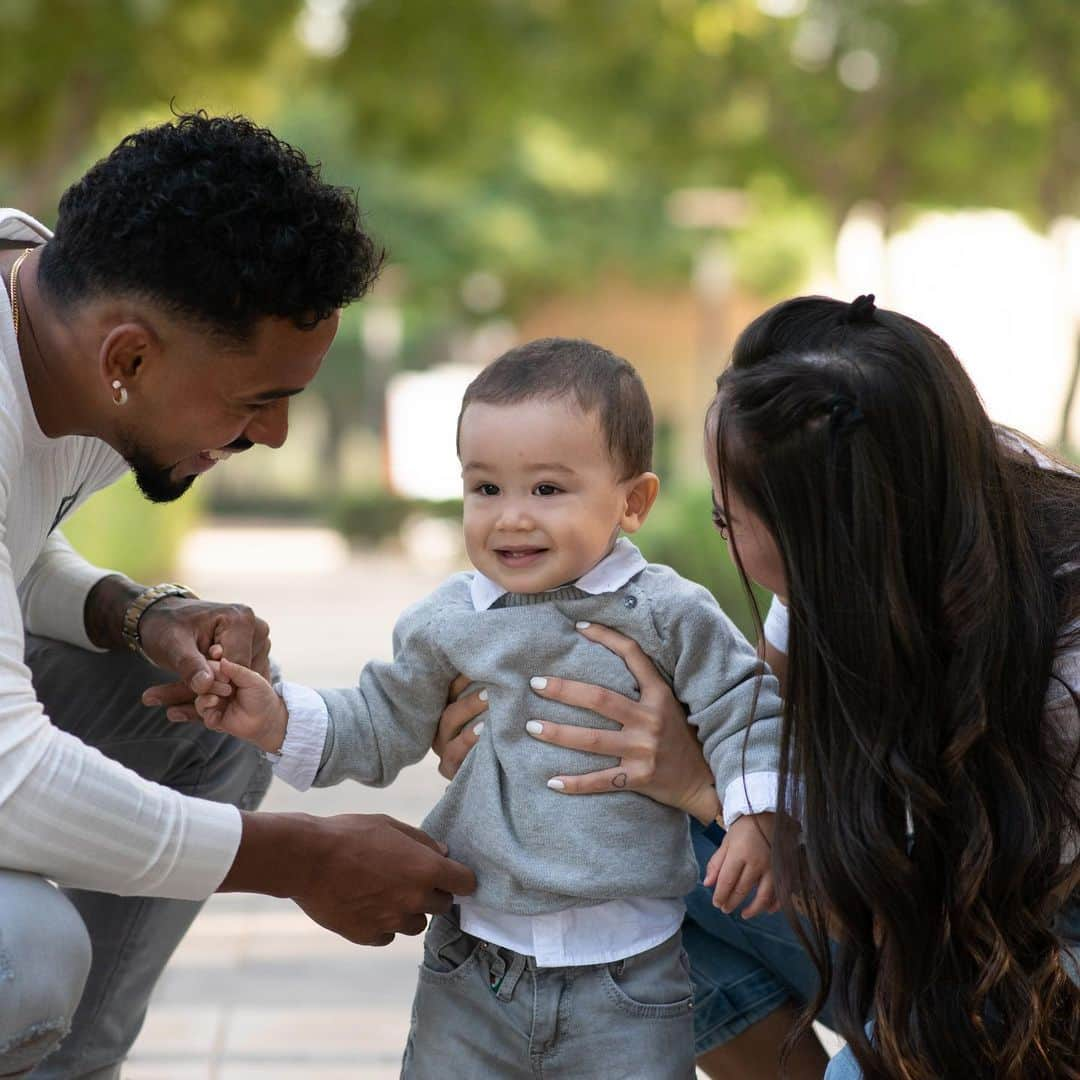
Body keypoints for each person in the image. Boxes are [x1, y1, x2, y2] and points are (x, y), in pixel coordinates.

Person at [436, 296, 1080, 1078]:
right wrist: (519, 736)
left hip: (1023, 976)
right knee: (616, 817)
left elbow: (934, 923)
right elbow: (758, 716)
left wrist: (707, 790)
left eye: (725, 520)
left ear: (831, 535)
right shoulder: (911, 505)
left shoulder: (1057, 672)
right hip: (929, 933)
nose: (721, 532)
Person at [0, 112, 475, 1079]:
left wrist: (139, 614)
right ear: (127, 360)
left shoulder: (56, 314)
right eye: (255, 399)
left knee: (207, 725)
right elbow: (10, 786)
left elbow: (15, 544)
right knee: (22, 957)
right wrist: (305, 859)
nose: (276, 437)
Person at [191, 337, 785, 1079]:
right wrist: (275, 716)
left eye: (546, 490)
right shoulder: (450, 620)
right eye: (485, 488)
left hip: (632, 977)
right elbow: (378, 722)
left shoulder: (667, 612)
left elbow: (746, 706)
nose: (510, 518)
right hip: (475, 964)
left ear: (631, 501)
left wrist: (755, 815)